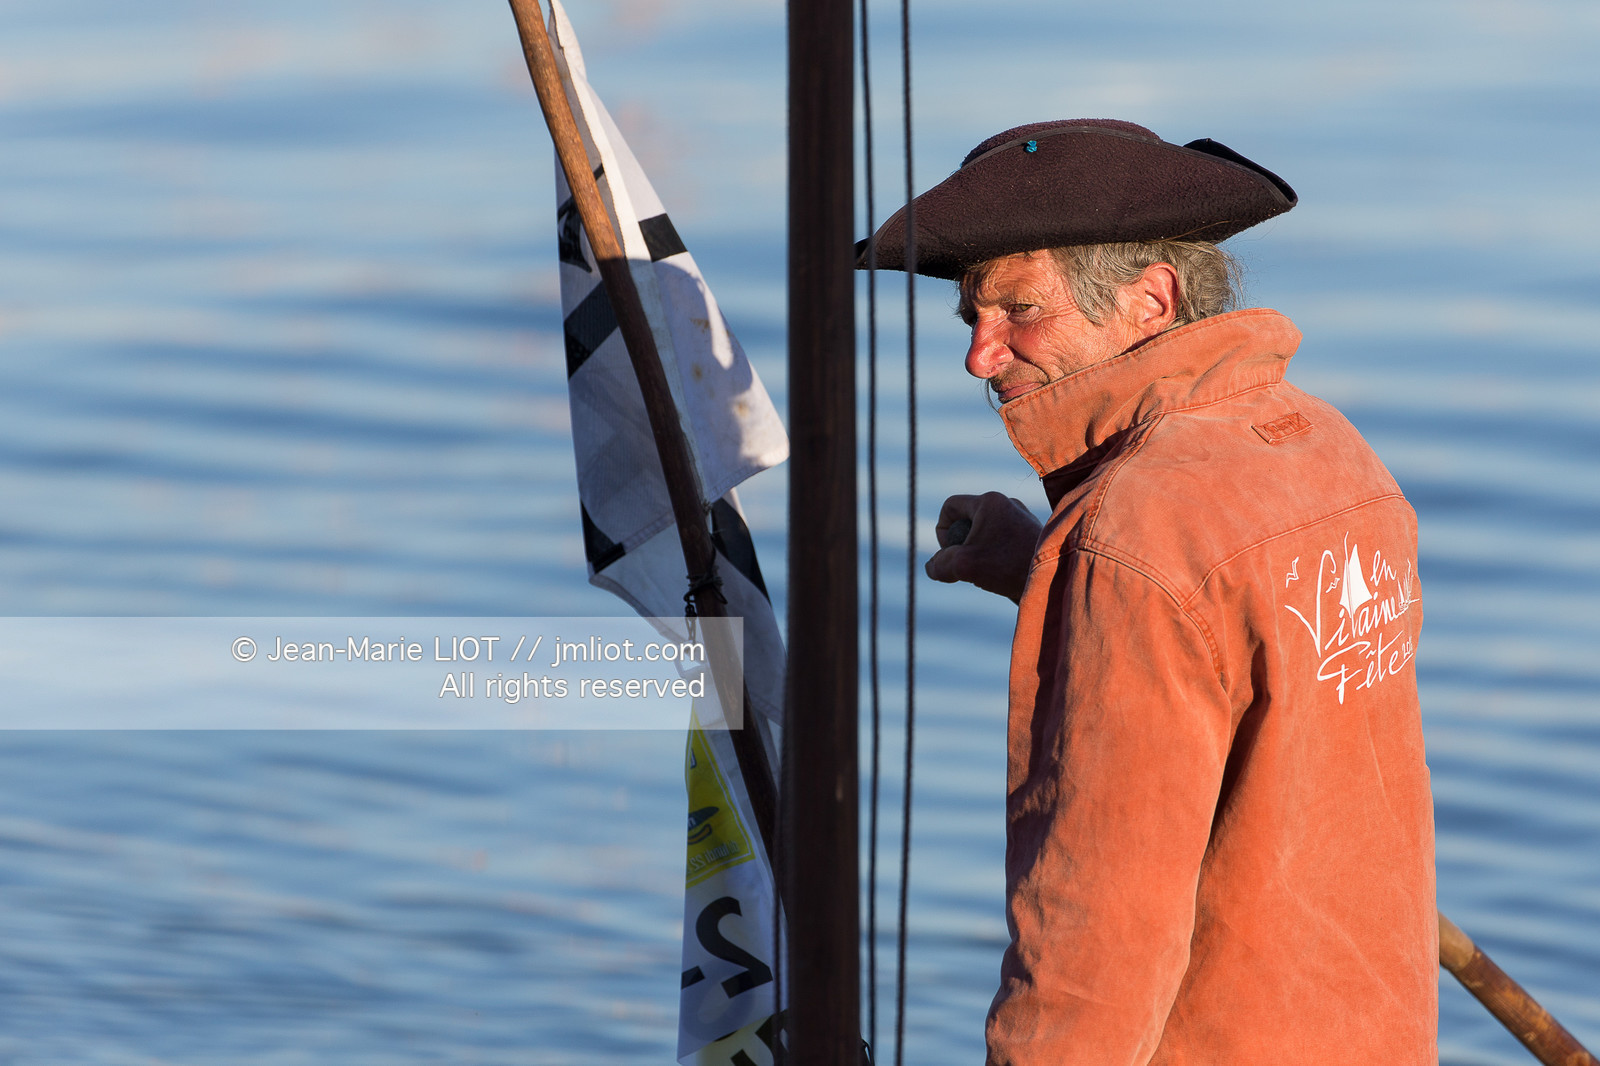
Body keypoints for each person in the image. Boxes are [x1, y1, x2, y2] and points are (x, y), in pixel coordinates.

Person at [860, 120, 1437, 1064]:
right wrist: (1048, 569)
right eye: (973, 319)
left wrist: (1095, 563)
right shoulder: (1330, 451)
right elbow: (1237, 666)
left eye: (1018, 312)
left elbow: (1093, 940)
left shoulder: (1134, 534)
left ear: (1151, 301)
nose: (980, 355)